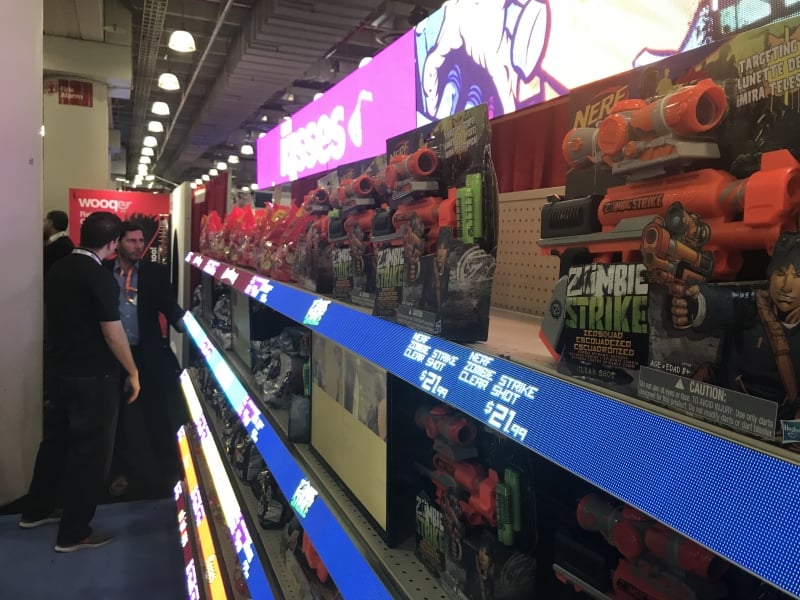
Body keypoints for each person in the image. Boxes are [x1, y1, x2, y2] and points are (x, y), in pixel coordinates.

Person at [20, 211, 140, 553]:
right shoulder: (99, 276)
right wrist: (132, 371)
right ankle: (74, 532)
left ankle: (36, 510)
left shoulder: (59, 267)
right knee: (91, 455)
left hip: (60, 371)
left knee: (55, 443)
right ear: (113, 243)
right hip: (93, 377)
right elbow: (112, 332)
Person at [672, 232, 800, 422]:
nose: (786, 286)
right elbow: (729, 301)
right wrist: (694, 304)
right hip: (727, 414)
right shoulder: (755, 305)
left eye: (798, 275)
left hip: (777, 426)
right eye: (780, 273)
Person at [105, 220, 187, 496]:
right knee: (115, 416)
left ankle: (168, 470)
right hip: (113, 355)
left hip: (146, 353)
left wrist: (188, 325)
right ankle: (118, 472)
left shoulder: (154, 273)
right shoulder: (104, 272)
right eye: (132, 241)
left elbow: (169, 306)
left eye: (141, 241)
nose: (138, 246)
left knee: (158, 413)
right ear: (117, 243)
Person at [43, 210, 74, 274]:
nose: (42, 224)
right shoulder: (64, 243)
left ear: (50, 223)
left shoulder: (62, 246)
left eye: (44, 221)